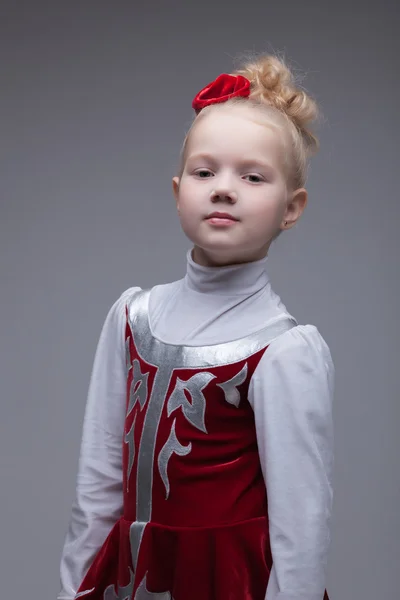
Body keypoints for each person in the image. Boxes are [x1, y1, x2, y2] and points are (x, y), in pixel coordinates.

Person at [58, 53, 334, 600]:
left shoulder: (283, 350)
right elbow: (97, 482)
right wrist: (73, 589)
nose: (224, 189)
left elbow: (302, 526)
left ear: (291, 207)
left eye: (253, 177)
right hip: (131, 578)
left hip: (228, 584)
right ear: (178, 190)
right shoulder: (133, 318)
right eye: (206, 172)